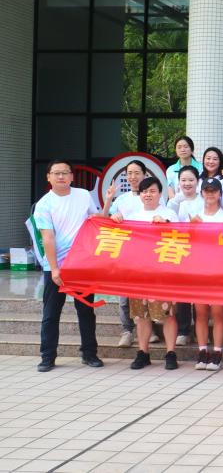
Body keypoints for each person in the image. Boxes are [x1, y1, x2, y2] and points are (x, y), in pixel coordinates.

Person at [35, 159, 103, 372]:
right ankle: (47, 357)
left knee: (86, 311)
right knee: (51, 314)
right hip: (56, 267)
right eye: (56, 173)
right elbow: (47, 238)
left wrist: (108, 206)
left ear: (72, 176)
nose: (61, 176)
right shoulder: (44, 204)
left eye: (65, 172)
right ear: (48, 177)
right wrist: (55, 268)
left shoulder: (83, 195)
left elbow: (96, 220)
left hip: (82, 265)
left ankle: (89, 353)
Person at [112, 176, 180, 370]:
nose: (148, 195)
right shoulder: (133, 215)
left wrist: (166, 224)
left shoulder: (169, 214)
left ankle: (171, 353)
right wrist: (115, 219)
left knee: (168, 314)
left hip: (163, 273)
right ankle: (143, 352)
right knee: (141, 315)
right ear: (140, 194)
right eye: (144, 191)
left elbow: (180, 239)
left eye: (152, 191)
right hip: (139, 273)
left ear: (160, 193)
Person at [100, 159, 151, 349]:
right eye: (129, 173)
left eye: (137, 173)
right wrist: (109, 203)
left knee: (147, 293)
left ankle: (149, 329)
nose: (133, 177)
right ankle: (127, 331)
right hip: (126, 252)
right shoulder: (121, 200)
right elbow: (103, 219)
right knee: (124, 295)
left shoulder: (152, 196)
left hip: (147, 253)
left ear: (145, 175)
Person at [189, 178, 223, 371]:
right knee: (200, 313)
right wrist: (192, 228)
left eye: (214, 191)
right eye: (207, 190)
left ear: (220, 194)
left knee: (217, 312)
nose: (210, 194)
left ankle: (217, 352)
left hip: (219, 272)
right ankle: (202, 351)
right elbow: (188, 245)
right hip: (199, 271)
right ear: (202, 193)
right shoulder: (195, 217)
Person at [169, 165, 201, 347]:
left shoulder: (204, 199)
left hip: (199, 251)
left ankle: (200, 330)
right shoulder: (174, 202)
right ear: (178, 182)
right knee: (182, 293)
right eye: (183, 180)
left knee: (199, 293)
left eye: (191, 180)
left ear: (197, 182)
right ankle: (183, 331)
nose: (187, 183)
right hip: (180, 251)